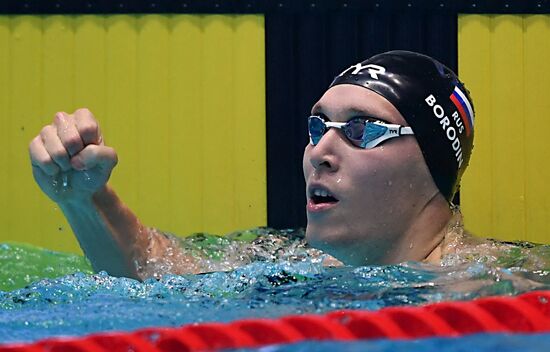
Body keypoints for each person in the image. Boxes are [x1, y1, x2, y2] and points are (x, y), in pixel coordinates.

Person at [28, 51, 477, 280]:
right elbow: (153, 268)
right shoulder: (297, 264)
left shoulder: (494, 287)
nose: (319, 152)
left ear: (433, 165)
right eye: (319, 127)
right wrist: (86, 200)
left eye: (363, 129)